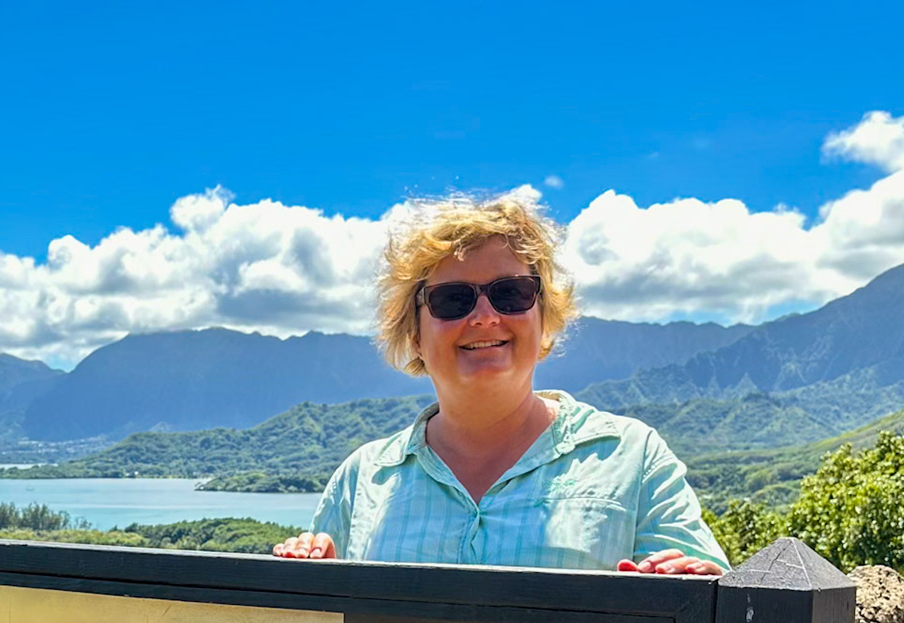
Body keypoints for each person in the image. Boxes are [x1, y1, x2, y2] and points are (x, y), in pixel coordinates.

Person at [272, 195, 726, 575]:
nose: (485, 316)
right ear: (414, 334)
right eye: (453, 299)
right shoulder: (362, 479)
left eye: (511, 293)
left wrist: (698, 585)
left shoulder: (631, 458)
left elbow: (708, 619)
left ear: (544, 316)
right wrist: (308, 587)